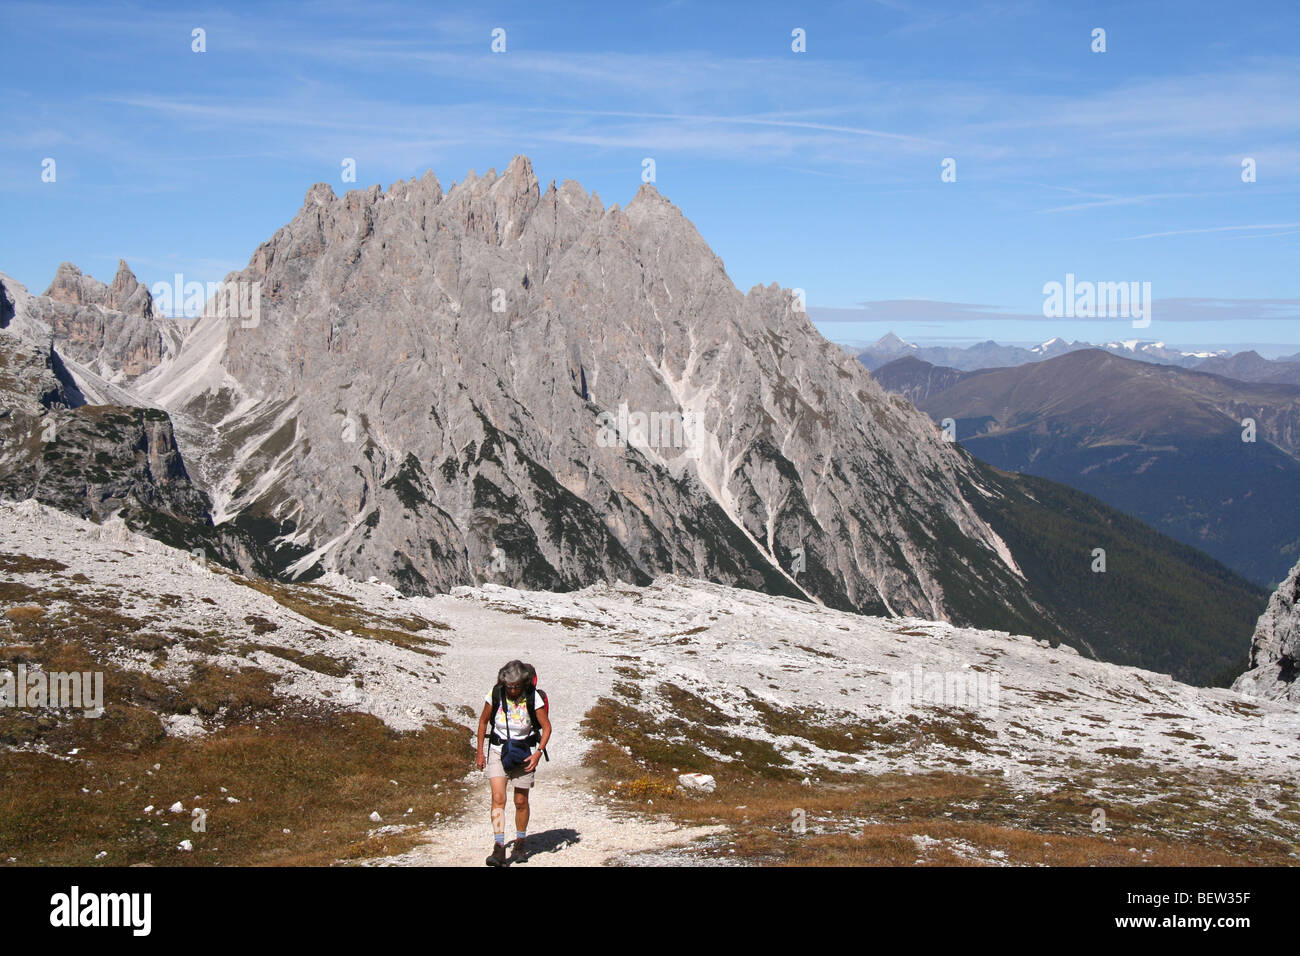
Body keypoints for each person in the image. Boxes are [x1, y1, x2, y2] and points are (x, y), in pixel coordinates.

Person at [475, 660, 551, 866]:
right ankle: (499, 847)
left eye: (516, 686)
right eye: (509, 686)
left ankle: (520, 842)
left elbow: (546, 728)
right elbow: (483, 722)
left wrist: (538, 753)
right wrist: (480, 752)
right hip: (498, 752)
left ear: (524, 683)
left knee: (520, 801)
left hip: (523, 754)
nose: (513, 690)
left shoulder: (533, 698)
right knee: (498, 798)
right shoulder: (495, 694)